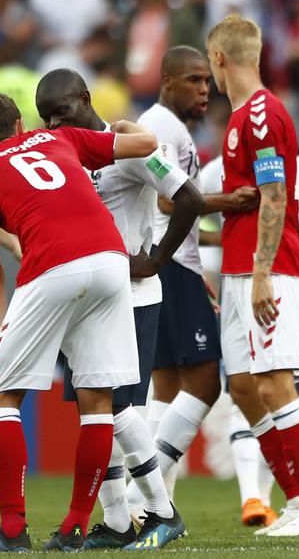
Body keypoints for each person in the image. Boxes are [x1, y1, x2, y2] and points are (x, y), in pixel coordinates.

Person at [0, 92, 160, 552]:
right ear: (20, 125)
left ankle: (12, 530)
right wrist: (124, 126)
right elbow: (146, 144)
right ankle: (75, 527)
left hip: (51, 265)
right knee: (98, 400)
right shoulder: (59, 138)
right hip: (111, 262)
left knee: (1, 394)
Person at [35, 69, 202, 549]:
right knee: (94, 413)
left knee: (117, 407)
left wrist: (155, 260)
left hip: (132, 297)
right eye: (47, 118)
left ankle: (162, 512)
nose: (54, 125)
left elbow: (188, 198)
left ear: (86, 99)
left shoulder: (130, 148)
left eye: (61, 112)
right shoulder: (64, 155)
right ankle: (115, 522)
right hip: (86, 301)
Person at [208, 14, 299, 537]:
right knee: (243, 387)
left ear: (219, 59)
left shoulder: (262, 115)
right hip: (238, 269)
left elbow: (276, 196)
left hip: (270, 269)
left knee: (277, 383)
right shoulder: (241, 116)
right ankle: (296, 500)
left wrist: (262, 272)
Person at [197, 151, 299, 527]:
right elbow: (178, 204)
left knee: (279, 389)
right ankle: (276, 498)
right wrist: (226, 219)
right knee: (241, 389)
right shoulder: (219, 168)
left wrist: (281, 217)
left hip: (284, 281)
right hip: (235, 280)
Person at [130, 47, 223, 509]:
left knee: (165, 387)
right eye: (194, 80)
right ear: (167, 80)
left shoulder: (166, 125)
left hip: (171, 264)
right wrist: (230, 202)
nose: (204, 90)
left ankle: (153, 504)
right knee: (206, 383)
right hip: (169, 266)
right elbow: (169, 201)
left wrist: (198, 264)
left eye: (207, 81)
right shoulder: (162, 127)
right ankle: (138, 495)